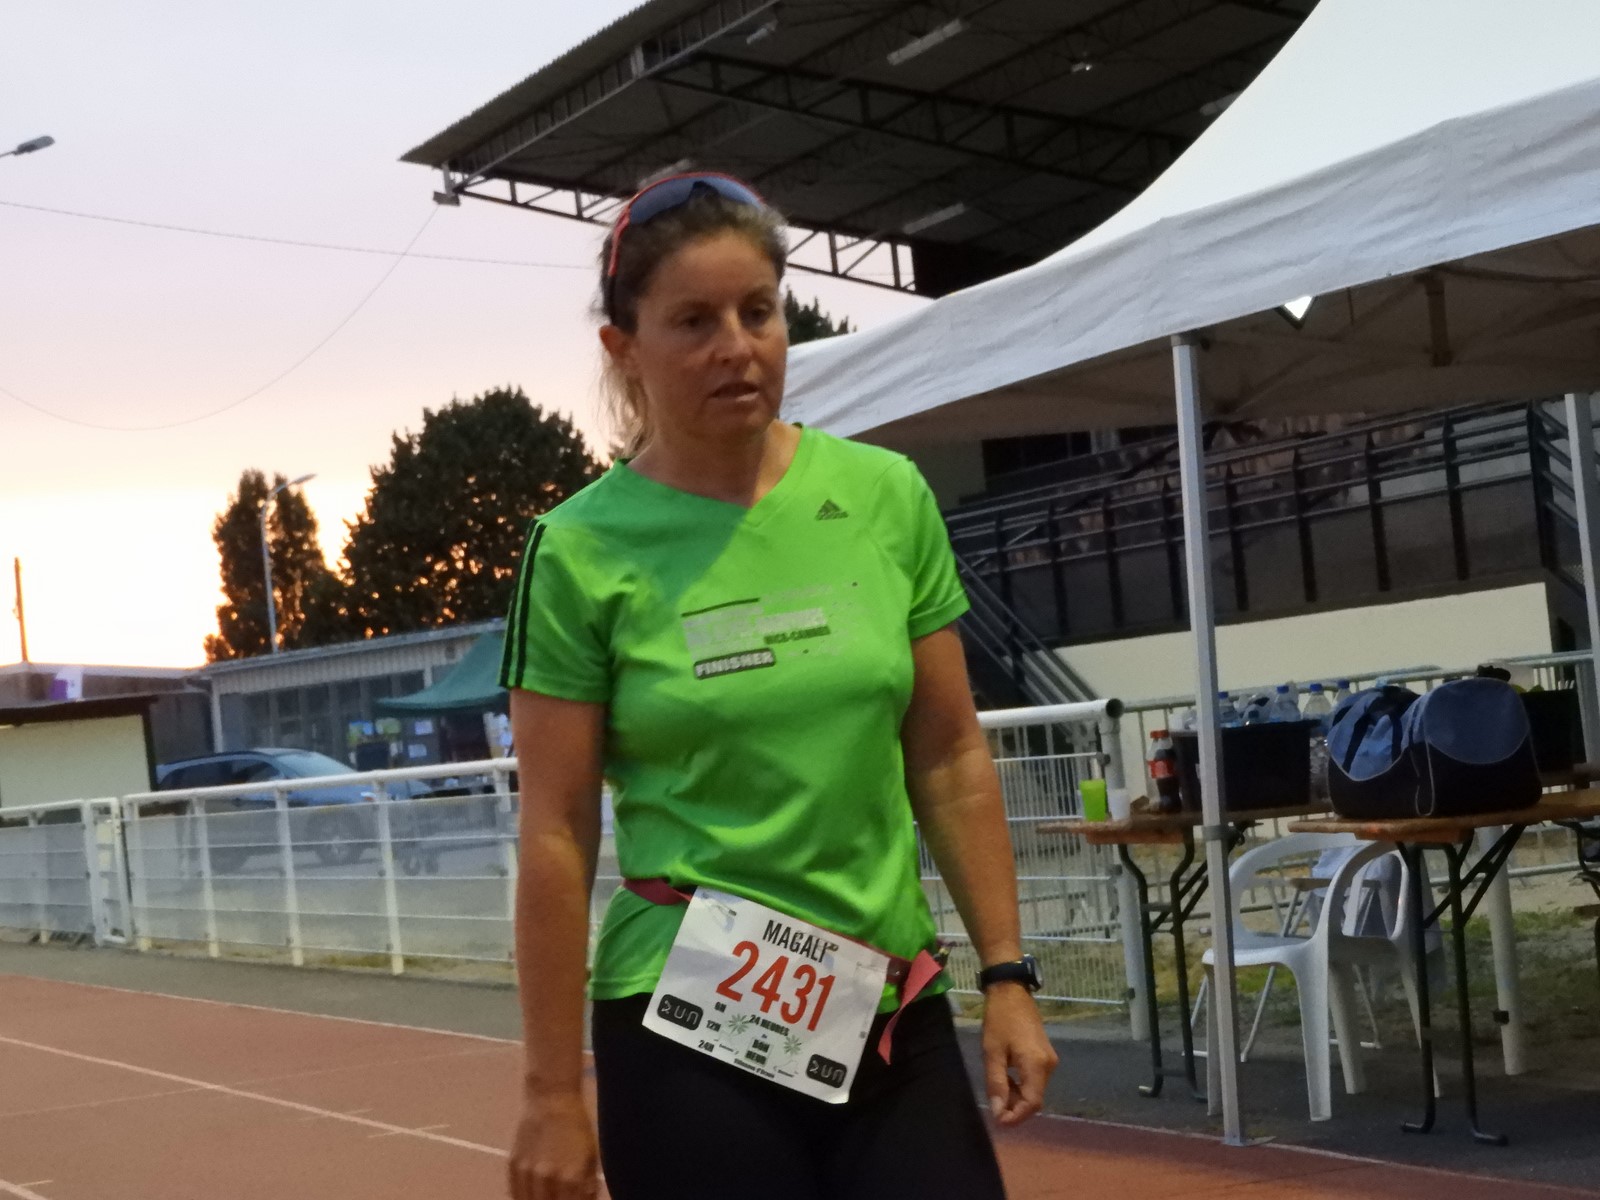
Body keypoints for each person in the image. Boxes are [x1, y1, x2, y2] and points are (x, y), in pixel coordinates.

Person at [501, 171, 1057, 1200]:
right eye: (693, 321)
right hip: (688, 1007)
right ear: (623, 347)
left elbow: (947, 753)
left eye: (758, 311)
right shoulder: (577, 551)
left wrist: (1007, 974)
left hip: (885, 1000)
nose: (737, 346)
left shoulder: (884, 495)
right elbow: (556, 830)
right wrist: (549, 1092)